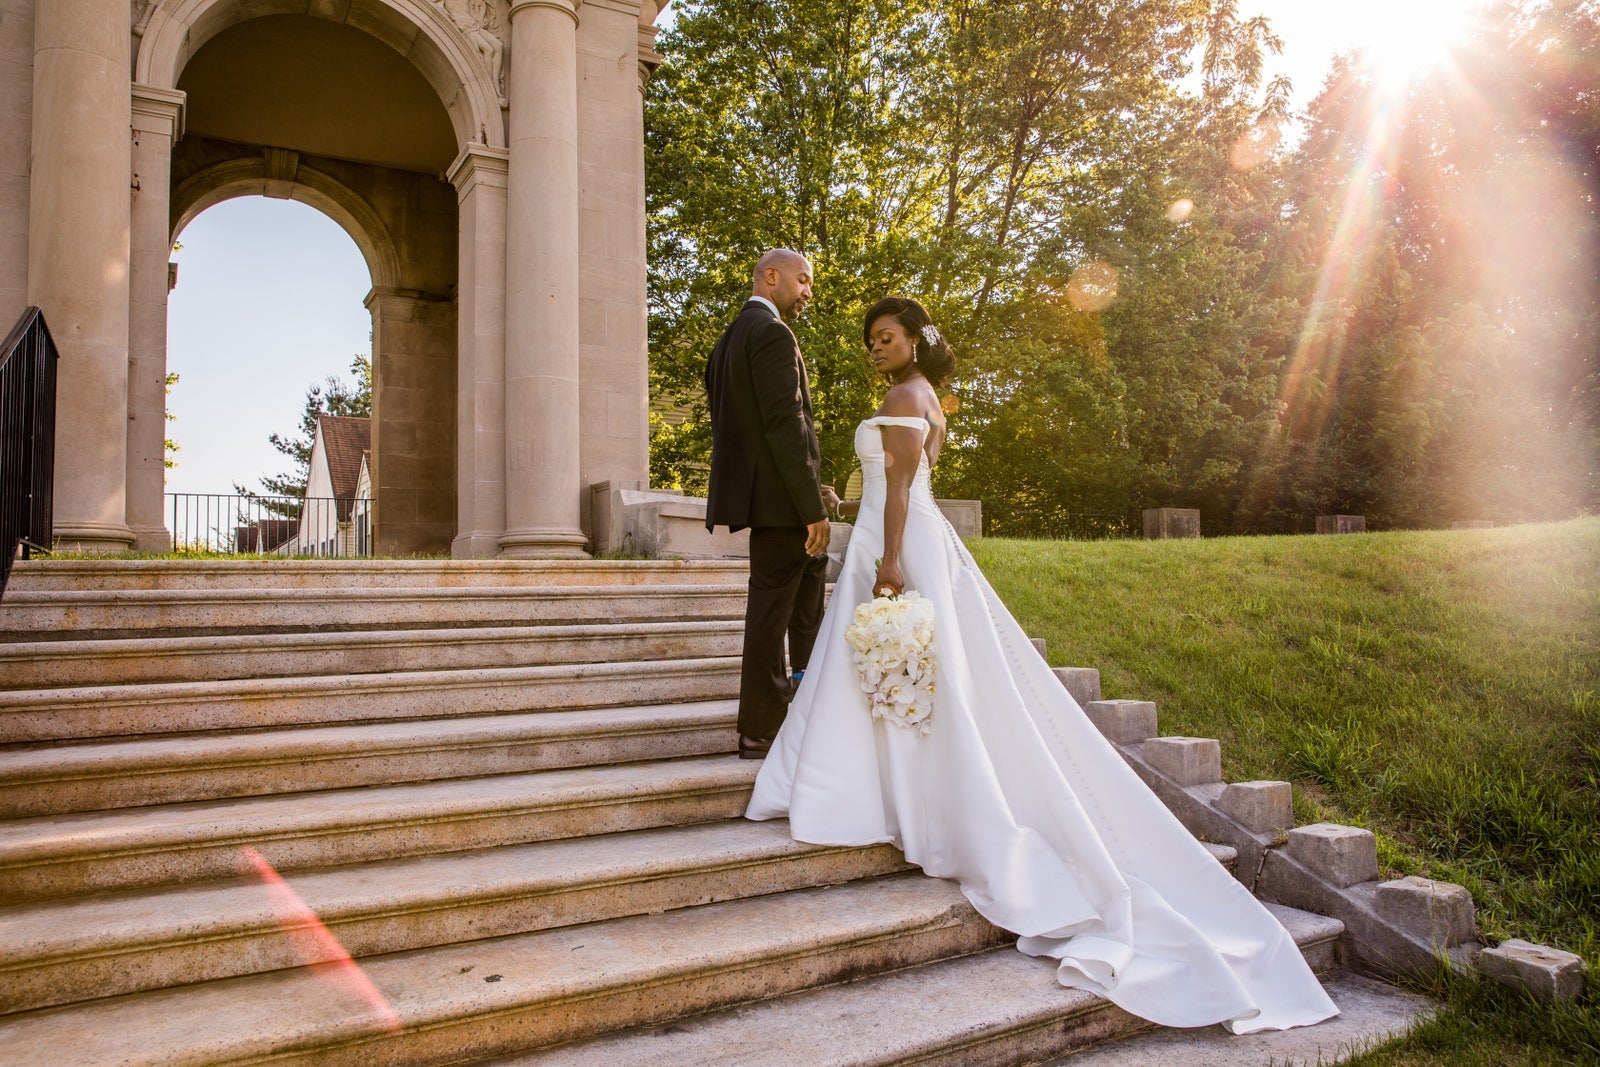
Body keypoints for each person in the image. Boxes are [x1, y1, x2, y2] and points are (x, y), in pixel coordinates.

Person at [747, 295, 1340, 1034]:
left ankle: (878, 794)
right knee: (914, 675)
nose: (875, 347)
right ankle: (887, 788)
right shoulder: (925, 395)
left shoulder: (905, 394)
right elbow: (901, 479)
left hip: (897, 542)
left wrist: (890, 561)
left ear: (914, 342)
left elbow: (899, 487)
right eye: (870, 339)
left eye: (886, 336)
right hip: (900, 534)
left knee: (902, 670)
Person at [705, 249, 831, 760]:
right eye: (802, 281)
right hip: (784, 510)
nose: (807, 292)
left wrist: (810, 489)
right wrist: (810, 507)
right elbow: (787, 424)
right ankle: (762, 728)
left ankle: (806, 697)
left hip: (768, 502)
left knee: (806, 593)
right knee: (770, 615)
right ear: (771, 276)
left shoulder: (727, 342)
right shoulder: (774, 334)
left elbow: (743, 429)